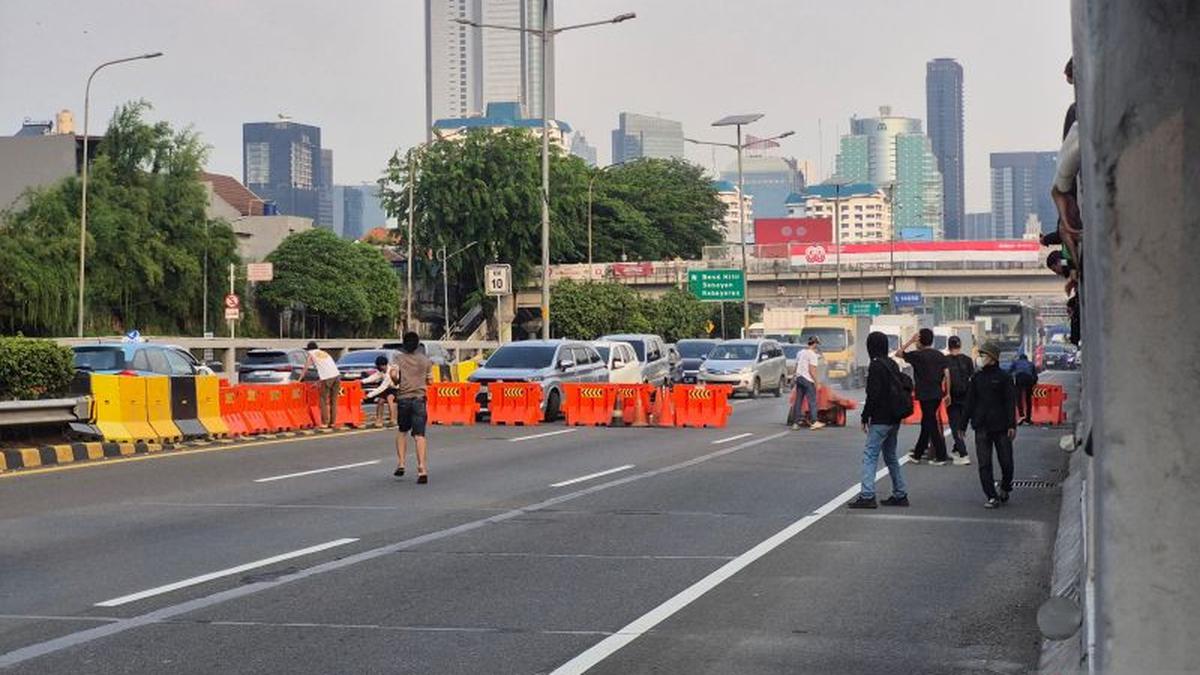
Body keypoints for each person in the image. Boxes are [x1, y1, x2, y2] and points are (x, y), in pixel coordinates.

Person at [848, 332, 908, 509]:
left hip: (880, 418)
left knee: (870, 455)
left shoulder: (875, 366)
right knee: (890, 456)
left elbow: (872, 395)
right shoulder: (892, 364)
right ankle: (900, 493)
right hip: (894, 418)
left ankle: (867, 495)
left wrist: (865, 416)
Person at [964, 342, 1018, 508]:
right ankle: (991, 496)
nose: (980, 358)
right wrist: (962, 425)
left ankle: (1006, 486)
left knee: (1007, 462)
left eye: (983, 355)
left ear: (993, 358)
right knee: (984, 464)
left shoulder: (1004, 378)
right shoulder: (976, 378)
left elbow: (1010, 402)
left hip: (1001, 427)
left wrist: (1012, 425)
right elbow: (969, 402)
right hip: (981, 426)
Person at [897, 328, 950, 465]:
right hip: (937, 393)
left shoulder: (917, 356)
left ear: (920, 340)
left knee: (930, 423)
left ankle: (941, 455)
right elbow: (947, 374)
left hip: (924, 394)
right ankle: (918, 454)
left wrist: (910, 341)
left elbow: (898, 353)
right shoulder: (940, 355)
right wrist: (948, 393)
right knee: (927, 422)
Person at [389, 331, 433, 484]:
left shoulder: (398, 358)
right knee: (419, 435)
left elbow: (394, 376)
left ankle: (401, 463)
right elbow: (431, 381)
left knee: (402, 431)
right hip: (419, 399)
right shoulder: (425, 361)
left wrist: (397, 381)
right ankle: (422, 468)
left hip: (403, 399)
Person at [945, 336, 974, 465]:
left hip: (952, 397)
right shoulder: (968, 360)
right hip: (967, 397)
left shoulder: (945, 360)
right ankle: (957, 449)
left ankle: (963, 453)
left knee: (954, 425)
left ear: (948, 346)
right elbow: (972, 378)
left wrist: (946, 393)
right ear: (960, 345)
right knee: (962, 424)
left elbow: (945, 378)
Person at [790, 336, 825, 431]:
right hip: (807, 380)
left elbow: (796, 366)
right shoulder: (813, 355)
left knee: (798, 401)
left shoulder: (800, 353)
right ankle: (814, 422)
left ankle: (795, 423)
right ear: (815, 344)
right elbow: (812, 370)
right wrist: (817, 382)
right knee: (812, 401)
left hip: (799, 378)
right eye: (817, 344)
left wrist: (794, 377)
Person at [303, 341, 341, 429]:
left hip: (327, 378)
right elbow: (327, 369)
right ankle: (332, 423)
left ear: (308, 349)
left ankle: (324, 423)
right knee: (334, 401)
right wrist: (317, 382)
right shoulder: (324, 353)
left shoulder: (311, 353)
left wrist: (299, 379)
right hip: (337, 376)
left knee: (323, 400)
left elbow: (306, 367)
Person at [361, 354, 399, 426]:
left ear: (383, 365)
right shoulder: (381, 371)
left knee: (389, 399)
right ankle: (379, 420)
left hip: (396, 388)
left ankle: (393, 419)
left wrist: (368, 396)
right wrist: (361, 381)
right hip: (389, 388)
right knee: (380, 401)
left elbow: (382, 387)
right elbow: (374, 377)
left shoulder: (390, 372)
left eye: (379, 366)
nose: (377, 368)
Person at [1011, 353, 1038, 425]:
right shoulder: (1031, 364)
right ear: (1026, 359)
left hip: (1019, 378)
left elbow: (1009, 372)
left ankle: (1021, 415)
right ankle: (1028, 418)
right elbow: (1035, 376)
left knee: (1018, 398)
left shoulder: (1016, 363)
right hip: (1029, 379)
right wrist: (1033, 385)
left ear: (1019, 358)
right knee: (1028, 399)